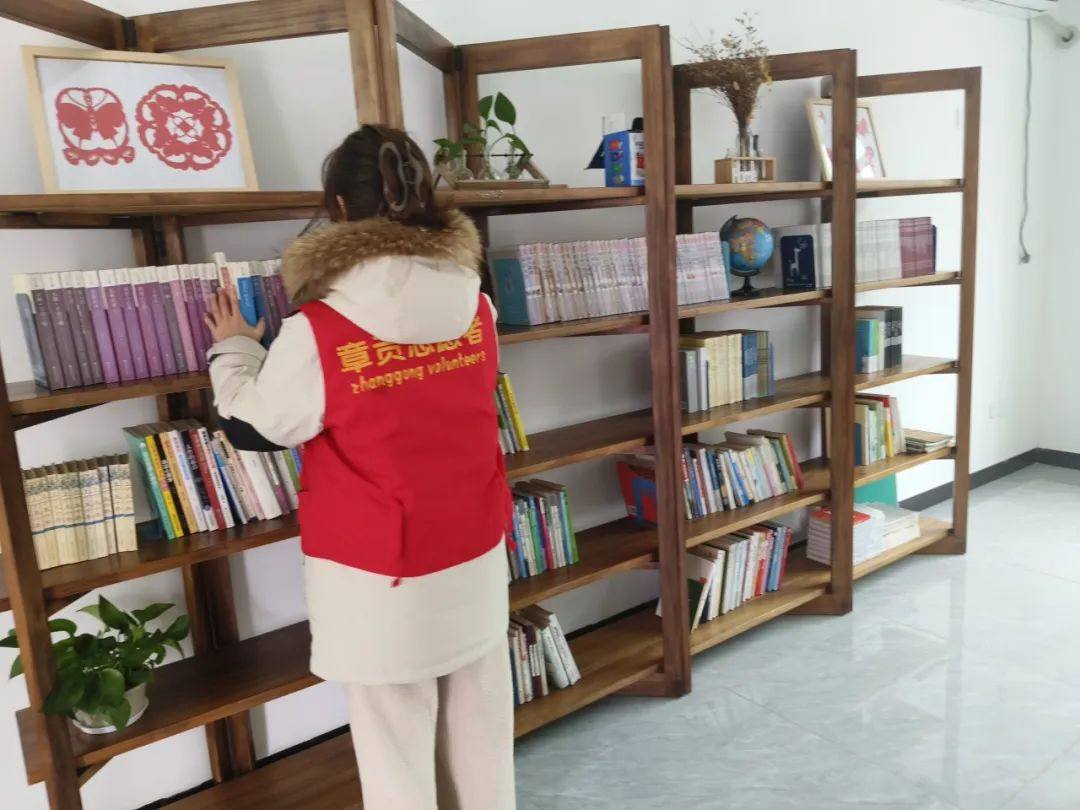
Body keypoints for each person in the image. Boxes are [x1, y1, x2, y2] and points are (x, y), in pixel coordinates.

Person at [204, 125, 516, 810]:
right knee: (481, 729)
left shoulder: (319, 329)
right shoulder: (478, 304)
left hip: (384, 576)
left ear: (340, 208)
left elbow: (259, 426)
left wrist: (234, 350)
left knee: (395, 749)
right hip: (473, 549)